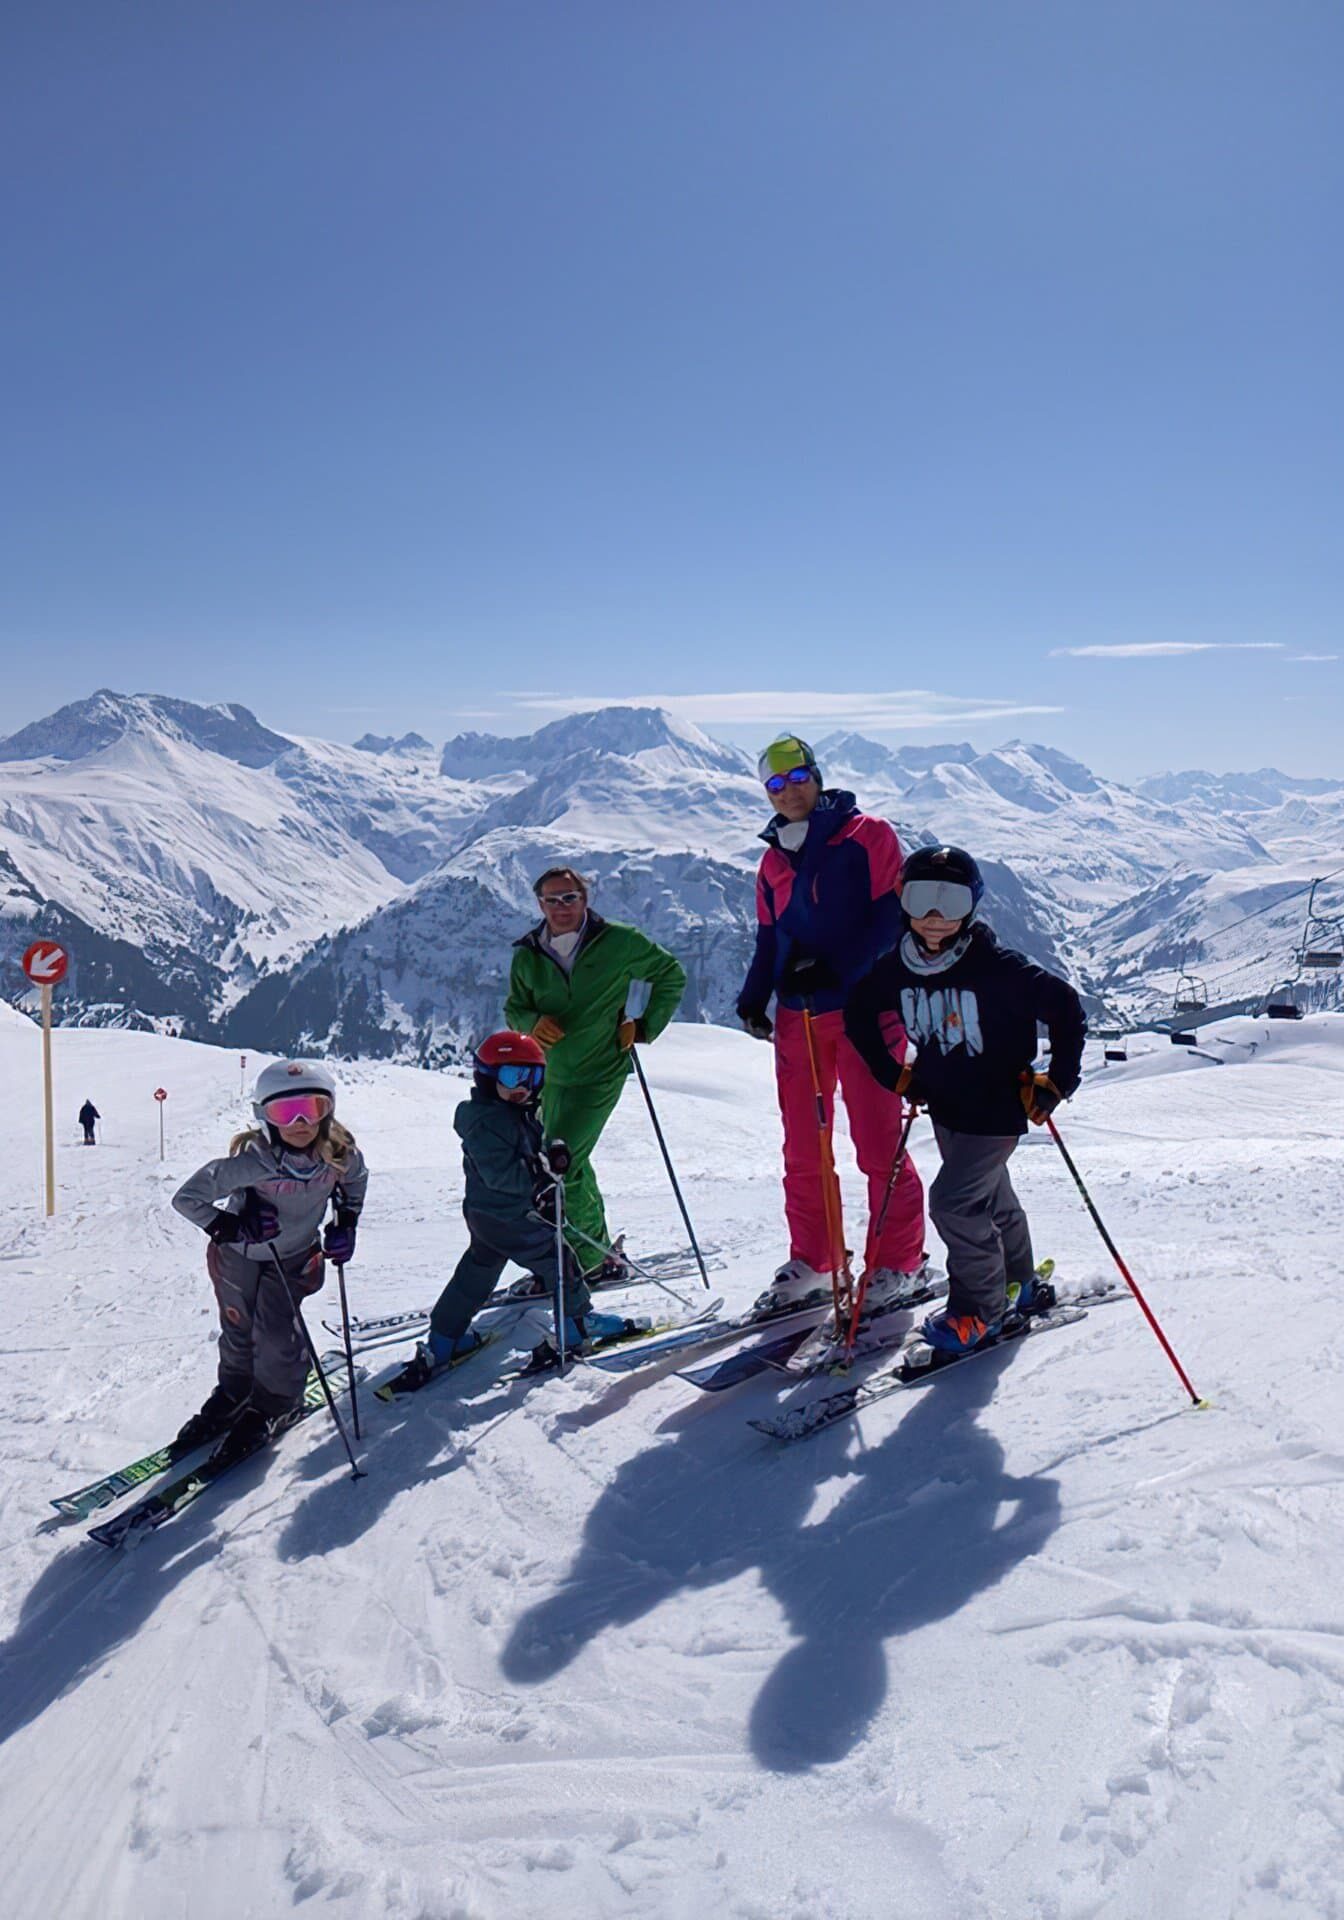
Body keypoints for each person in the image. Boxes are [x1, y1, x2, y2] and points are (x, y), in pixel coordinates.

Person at [844, 844, 1086, 1355]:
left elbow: (1066, 1007)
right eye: (921, 899)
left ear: (971, 905)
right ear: (901, 901)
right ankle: (1018, 1282)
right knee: (991, 1198)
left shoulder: (996, 967)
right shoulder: (899, 967)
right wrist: (896, 1075)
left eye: (949, 902)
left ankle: (981, 1310)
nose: (934, 917)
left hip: (997, 1111)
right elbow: (860, 1012)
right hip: (946, 1108)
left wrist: (1058, 1080)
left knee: (954, 1203)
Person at [736, 733, 925, 1308]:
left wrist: (837, 968)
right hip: (799, 1017)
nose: (788, 793)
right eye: (775, 784)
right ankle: (815, 1259)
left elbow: (889, 915)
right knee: (803, 1146)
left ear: (816, 777)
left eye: (796, 780)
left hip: (866, 1009)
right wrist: (753, 995)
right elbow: (772, 937)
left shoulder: (868, 836)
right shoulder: (772, 860)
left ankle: (900, 1261)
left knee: (877, 1140)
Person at [399, 1031, 629, 1387]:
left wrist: (550, 1154)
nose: (523, 1086)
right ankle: (577, 1324)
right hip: (512, 1216)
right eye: (511, 1077)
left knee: (477, 1273)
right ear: (488, 1078)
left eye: (532, 1077)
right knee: (560, 1261)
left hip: (486, 1217)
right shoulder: (487, 1122)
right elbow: (501, 1173)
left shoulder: (508, 1113)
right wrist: (539, 1187)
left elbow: (525, 1152)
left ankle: (445, 1340)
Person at [170, 1061, 367, 1463]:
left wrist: (346, 1221)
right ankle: (236, 1391)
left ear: (328, 1111)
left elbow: (356, 1182)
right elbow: (187, 1198)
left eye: (312, 1108)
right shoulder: (252, 1162)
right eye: (283, 1112)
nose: (299, 1122)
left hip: (292, 1258)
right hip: (238, 1257)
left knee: (276, 1331)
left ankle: (276, 1402)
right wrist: (232, 1225)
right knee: (238, 1327)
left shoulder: (339, 1156)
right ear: (265, 1116)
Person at [504, 867, 686, 1279]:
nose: (561, 907)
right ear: (539, 904)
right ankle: (594, 1248)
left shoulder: (620, 942)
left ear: (585, 899)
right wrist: (531, 1022)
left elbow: (670, 974)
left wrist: (642, 1025)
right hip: (549, 1076)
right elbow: (514, 1008)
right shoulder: (528, 954)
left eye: (569, 897)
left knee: (560, 1161)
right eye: (552, 900)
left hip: (599, 1071)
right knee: (566, 1161)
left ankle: (587, 1262)